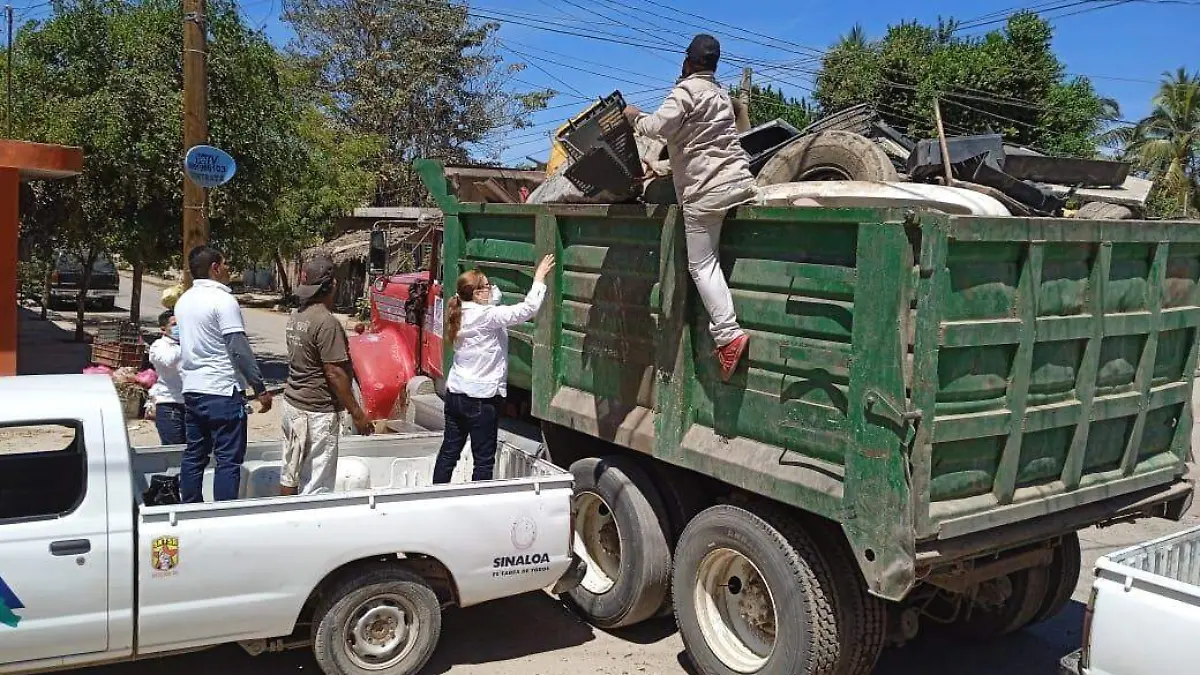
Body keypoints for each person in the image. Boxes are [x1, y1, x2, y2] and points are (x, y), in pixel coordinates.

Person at [624, 33, 756, 382]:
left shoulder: (686, 91)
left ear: (688, 62)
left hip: (705, 195)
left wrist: (633, 116)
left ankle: (727, 334)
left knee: (702, 264)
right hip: (738, 183)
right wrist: (662, 168)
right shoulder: (720, 95)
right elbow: (701, 146)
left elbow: (657, 127)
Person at [432, 254, 556, 484]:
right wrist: (539, 278)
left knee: (449, 452)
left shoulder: (461, 310)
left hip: (456, 394)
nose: (492, 289)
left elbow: (493, 297)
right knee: (484, 460)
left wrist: (484, 286)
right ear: (478, 293)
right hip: (480, 400)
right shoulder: (486, 316)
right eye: (487, 286)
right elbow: (527, 309)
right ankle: (480, 504)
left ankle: (436, 495)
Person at [175, 245, 273, 503]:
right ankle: (222, 514)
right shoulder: (223, 300)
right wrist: (259, 388)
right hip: (222, 391)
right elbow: (238, 349)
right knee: (228, 460)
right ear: (215, 268)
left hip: (193, 390)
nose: (230, 268)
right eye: (226, 263)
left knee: (195, 454)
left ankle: (190, 508)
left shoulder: (183, 301)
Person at [280, 254, 374, 496]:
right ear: (332, 285)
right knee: (316, 484)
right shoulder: (326, 322)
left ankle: (285, 523)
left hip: (293, 406)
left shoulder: (297, 316)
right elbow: (335, 373)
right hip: (316, 414)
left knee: (290, 472)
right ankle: (310, 530)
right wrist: (357, 413)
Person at [147, 310, 186, 445]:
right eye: (175, 325)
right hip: (170, 404)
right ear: (163, 329)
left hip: (191, 403)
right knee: (174, 450)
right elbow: (168, 361)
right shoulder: (159, 346)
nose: (180, 328)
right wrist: (185, 345)